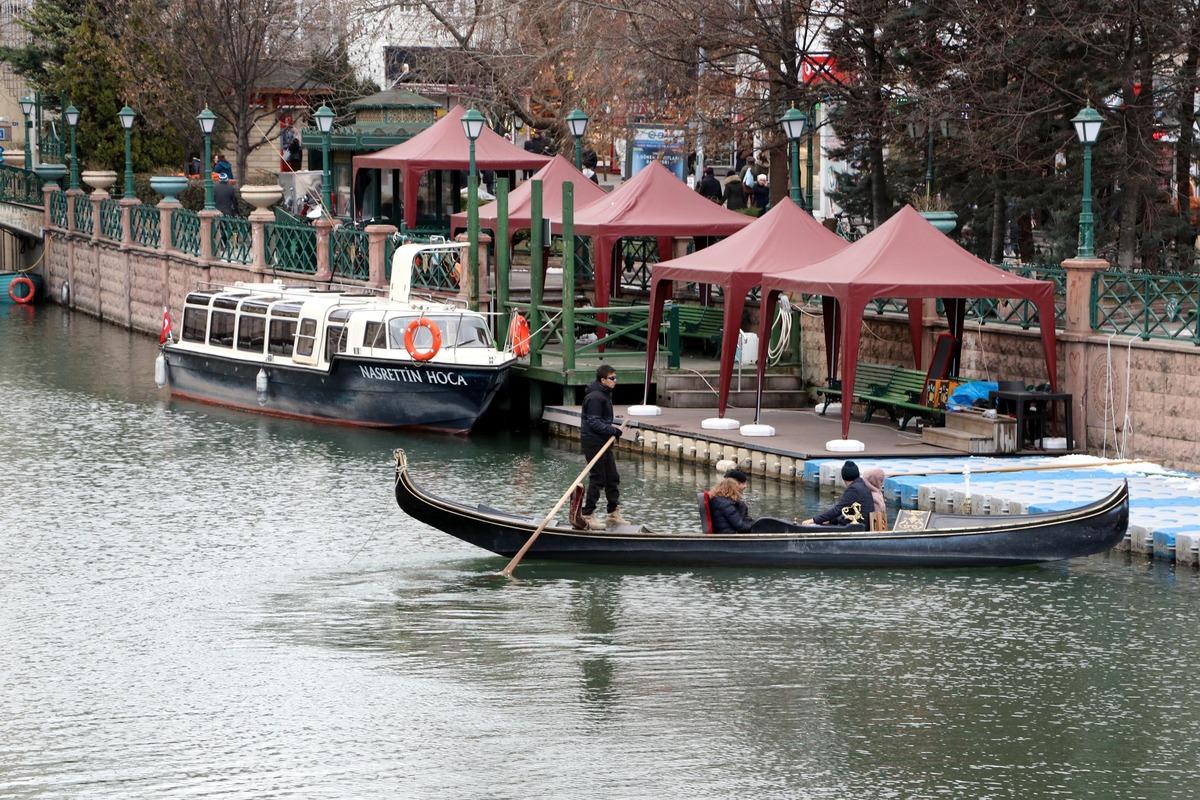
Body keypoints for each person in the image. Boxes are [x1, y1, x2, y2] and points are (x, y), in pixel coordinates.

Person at [579, 364, 625, 530]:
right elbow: (593, 421)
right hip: (593, 441)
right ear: (603, 380)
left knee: (612, 477)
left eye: (615, 377)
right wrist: (613, 430)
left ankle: (613, 512)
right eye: (612, 378)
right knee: (598, 478)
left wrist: (611, 431)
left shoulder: (605, 394)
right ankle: (587, 514)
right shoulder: (596, 397)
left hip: (603, 441)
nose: (615, 381)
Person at [802, 460, 875, 527]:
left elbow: (837, 510)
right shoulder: (862, 485)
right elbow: (847, 511)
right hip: (863, 524)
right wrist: (830, 520)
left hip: (857, 527)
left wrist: (814, 520)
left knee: (815, 526)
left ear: (843, 477)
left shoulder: (853, 490)